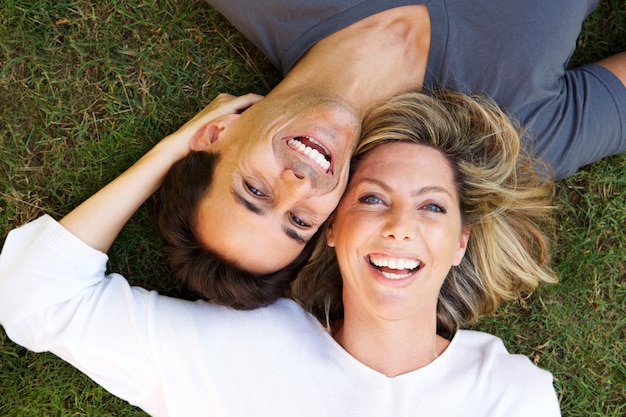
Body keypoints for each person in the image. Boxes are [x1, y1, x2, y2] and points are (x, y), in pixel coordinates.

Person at [0, 89, 561, 416]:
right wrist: (183, 145)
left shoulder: (511, 396)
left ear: (460, 245)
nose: (399, 228)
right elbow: (36, 297)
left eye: (434, 208)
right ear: (333, 229)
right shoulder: (239, 348)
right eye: (370, 199)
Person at [154, 0, 626, 289]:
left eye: (255, 191)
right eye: (299, 220)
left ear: (215, 133)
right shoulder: (507, 134)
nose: (297, 185)